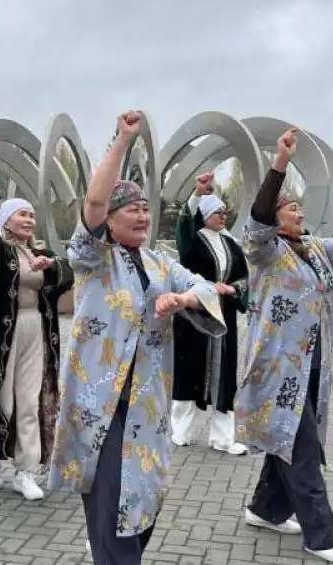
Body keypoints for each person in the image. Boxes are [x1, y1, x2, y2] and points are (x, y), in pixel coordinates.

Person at [49, 111, 227, 565]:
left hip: (147, 401)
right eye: (132, 208)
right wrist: (123, 141)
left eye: (147, 208)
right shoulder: (93, 257)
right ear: (109, 221)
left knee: (144, 499)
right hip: (101, 402)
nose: (143, 215)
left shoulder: (159, 261)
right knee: (112, 499)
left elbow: (202, 287)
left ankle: (107, 547)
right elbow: (93, 200)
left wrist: (183, 299)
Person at [235, 128, 333, 565]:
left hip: (312, 366)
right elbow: (258, 216)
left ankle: (265, 508)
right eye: (291, 207)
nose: (300, 212)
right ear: (274, 218)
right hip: (278, 368)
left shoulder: (314, 248)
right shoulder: (263, 250)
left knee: (292, 437)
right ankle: (321, 535)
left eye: (300, 206)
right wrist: (280, 163)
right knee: (300, 448)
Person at [0, 143, 74, 500]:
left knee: (30, 399)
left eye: (31, 215)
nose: (29, 220)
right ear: (6, 221)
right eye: (21, 215)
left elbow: (67, 275)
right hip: (2, 335)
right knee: (0, 399)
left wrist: (53, 265)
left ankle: (25, 471)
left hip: (35, 331)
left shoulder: (38, 253)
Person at [170, 172, 249, 454]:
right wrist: (198, 193)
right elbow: (183, 223)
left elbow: (244, 277)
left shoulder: (231, 244)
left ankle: (223, 439)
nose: (223, 216)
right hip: (195, 316)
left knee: (225, 375)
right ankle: (180, 432)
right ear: (204, 215)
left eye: (225, 212)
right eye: (217, 212)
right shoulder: (193, 240)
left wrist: (233, 289)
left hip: (224, 317)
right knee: (189, 370)